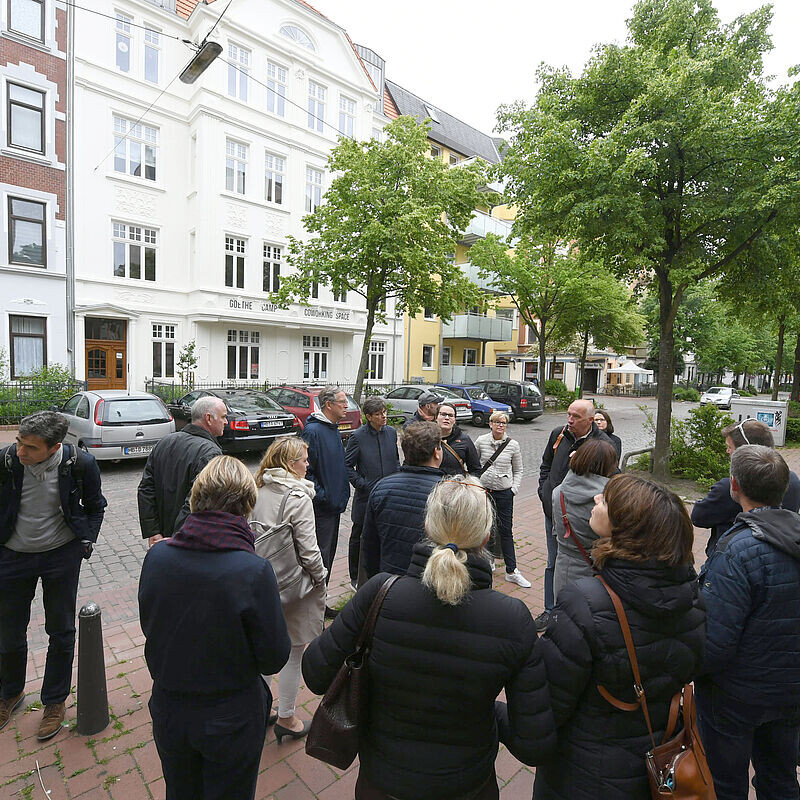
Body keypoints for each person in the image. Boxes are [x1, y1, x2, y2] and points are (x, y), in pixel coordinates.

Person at [303, 476, 556, 800]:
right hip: (468, 785)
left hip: (382, 782)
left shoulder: (379, 593)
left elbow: (314, 672)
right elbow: (533, 742)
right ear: (486, 537)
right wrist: (485, 709)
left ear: (427, 526)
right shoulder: (513, 619)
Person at [534, 474, 705, 799]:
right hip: (653, 766)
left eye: (606, 500)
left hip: (582, 773)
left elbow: (548, 705)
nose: (596, 499)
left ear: (628, 529)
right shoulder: (693, 599)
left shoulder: (585, 602)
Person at [139, 456, 290, 800]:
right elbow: (274, 657)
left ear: (196, 499)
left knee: (180, 791)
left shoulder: (157, 557)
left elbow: (151, 624)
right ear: (247, 506)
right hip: (231, 714)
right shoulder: (253, 571)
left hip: (170, 708)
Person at [697, 444, 800, 800]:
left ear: (734, 486)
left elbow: (714, 644)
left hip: (736, 698)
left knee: (725, 784)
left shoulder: (736, 551)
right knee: (780, 779)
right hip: (790, 691)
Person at [0, 411, 106, 740]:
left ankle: (54, 701)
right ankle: (10, 692)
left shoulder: (80, 464)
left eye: (31, 447)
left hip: (60, 556)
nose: (21, 451)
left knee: (60, 631)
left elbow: (96, 505)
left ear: (54, 447)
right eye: (19, 442)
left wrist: (85, 542)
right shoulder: (7, 461)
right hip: (12, 556)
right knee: (8, 630)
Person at [250, 437, 326, 744]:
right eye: (303, 460)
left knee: (265, 650)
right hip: (294, 586)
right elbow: (308, 550)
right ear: (289, 464)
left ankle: (259, 709)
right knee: (294, 652)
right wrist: (320, 578)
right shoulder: (297, 496)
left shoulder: (256, 489)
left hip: (261, 583)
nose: (308, 465)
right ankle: (287, 718)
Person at [537, 398, 610, 629]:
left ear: (590, 420)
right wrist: (544, 491)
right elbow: (546, 465)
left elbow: (610, 479)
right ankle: (551, 610)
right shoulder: (558, 434)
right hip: (555, 512)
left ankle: (583, 615)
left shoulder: (603, 444)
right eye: (568, 414)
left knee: (587, 564)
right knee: (553, 562)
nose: (569, 420)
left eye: (576, 417)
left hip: (586, 519)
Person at [691, 418, 800, 555]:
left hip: (735, 555)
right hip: (784, 553)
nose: (727, 451)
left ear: (745, 450)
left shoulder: (732, 486)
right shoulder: (792, 479)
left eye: (730, 447)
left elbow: (698, 517)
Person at [137, 395, 226, 547]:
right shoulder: (211, 453)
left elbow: (145, 489)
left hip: (164, 538)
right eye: (223, 417)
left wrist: (154, 532)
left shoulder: (164, 442)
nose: (226, 422)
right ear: (209, 418)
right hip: (189, 541)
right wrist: (176, 538)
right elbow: (198, 501)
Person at [361, 421, 443, 579]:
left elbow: (369, 544)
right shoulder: (449, 493)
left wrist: (376, 580)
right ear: (436, 452)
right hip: (430, 581)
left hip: (390, 579)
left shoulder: (381, 488)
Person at [301, 385, 350, 618]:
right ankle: (312, 610)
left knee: (327, 557)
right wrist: (324, 497)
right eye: (342, 402)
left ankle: (321, 604)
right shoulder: (313, 432)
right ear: (328, 405)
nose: (346, 406)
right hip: (322, 509)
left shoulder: (332, 428)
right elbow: (305, 471)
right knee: (319, 557)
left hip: (334, 507)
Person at [552, 438, 618, 601]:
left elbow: (556, 530)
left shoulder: (558, 492)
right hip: (598, 571)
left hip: (563, 568)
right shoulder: (608, 501)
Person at [345, 397, 400, 590]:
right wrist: (363, 484)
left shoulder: (391, 433)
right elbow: (347, 466)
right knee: (358, 535)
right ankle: (354, 576)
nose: (384, 416)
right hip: (366, 497)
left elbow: (396, 460)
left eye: (384, 412)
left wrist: (396, 479)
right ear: (368, 417)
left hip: (390, 494)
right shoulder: (358, 437)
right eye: (378, 414)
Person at [474, 410, 529, 587]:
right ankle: (489, 562)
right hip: (484, 492)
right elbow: (474, 465)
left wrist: (514, 489)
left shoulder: (513, 445)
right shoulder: (481, 441)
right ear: (490, 424)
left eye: (503, 423)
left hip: (505, 493)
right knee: (486, 529)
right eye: (497, 422)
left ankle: (512, 570)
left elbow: (518, 470)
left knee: (505, 530)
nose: (500, 425)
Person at [437, 402, 481, 475]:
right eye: (443, 414)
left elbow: (475, 469)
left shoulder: (464, 440)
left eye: (451, 415)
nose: (447, 418)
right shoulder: (427, 438)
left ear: (454, 420)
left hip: (455, 481)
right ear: (436, 417)